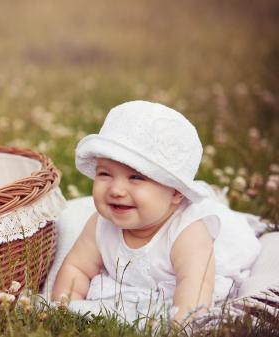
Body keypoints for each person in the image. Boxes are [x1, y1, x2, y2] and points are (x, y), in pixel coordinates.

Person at [51, 100, 261, 323]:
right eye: (105, 174)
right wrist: (64, 307)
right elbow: (77, 268)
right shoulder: (100, 224)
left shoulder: (188, 233)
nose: (116, 189)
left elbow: (195, 287)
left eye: (136, 177)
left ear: (175, 193)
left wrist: (181, 325)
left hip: (205, 263)